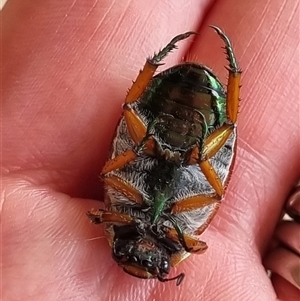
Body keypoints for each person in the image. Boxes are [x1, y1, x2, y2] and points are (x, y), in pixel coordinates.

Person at [2, 0, 299, 300]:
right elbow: (210, 202)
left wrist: (136, 154)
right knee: (226, 130)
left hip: (153, 124)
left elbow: (109, 179)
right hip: (202, 142)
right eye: (154, 263)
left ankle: (158, 68)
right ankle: (233, 74)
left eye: (129, 254)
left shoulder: (116, 216)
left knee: (131, 113)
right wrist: (196, 167)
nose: (143, 253)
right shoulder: (183, 240)